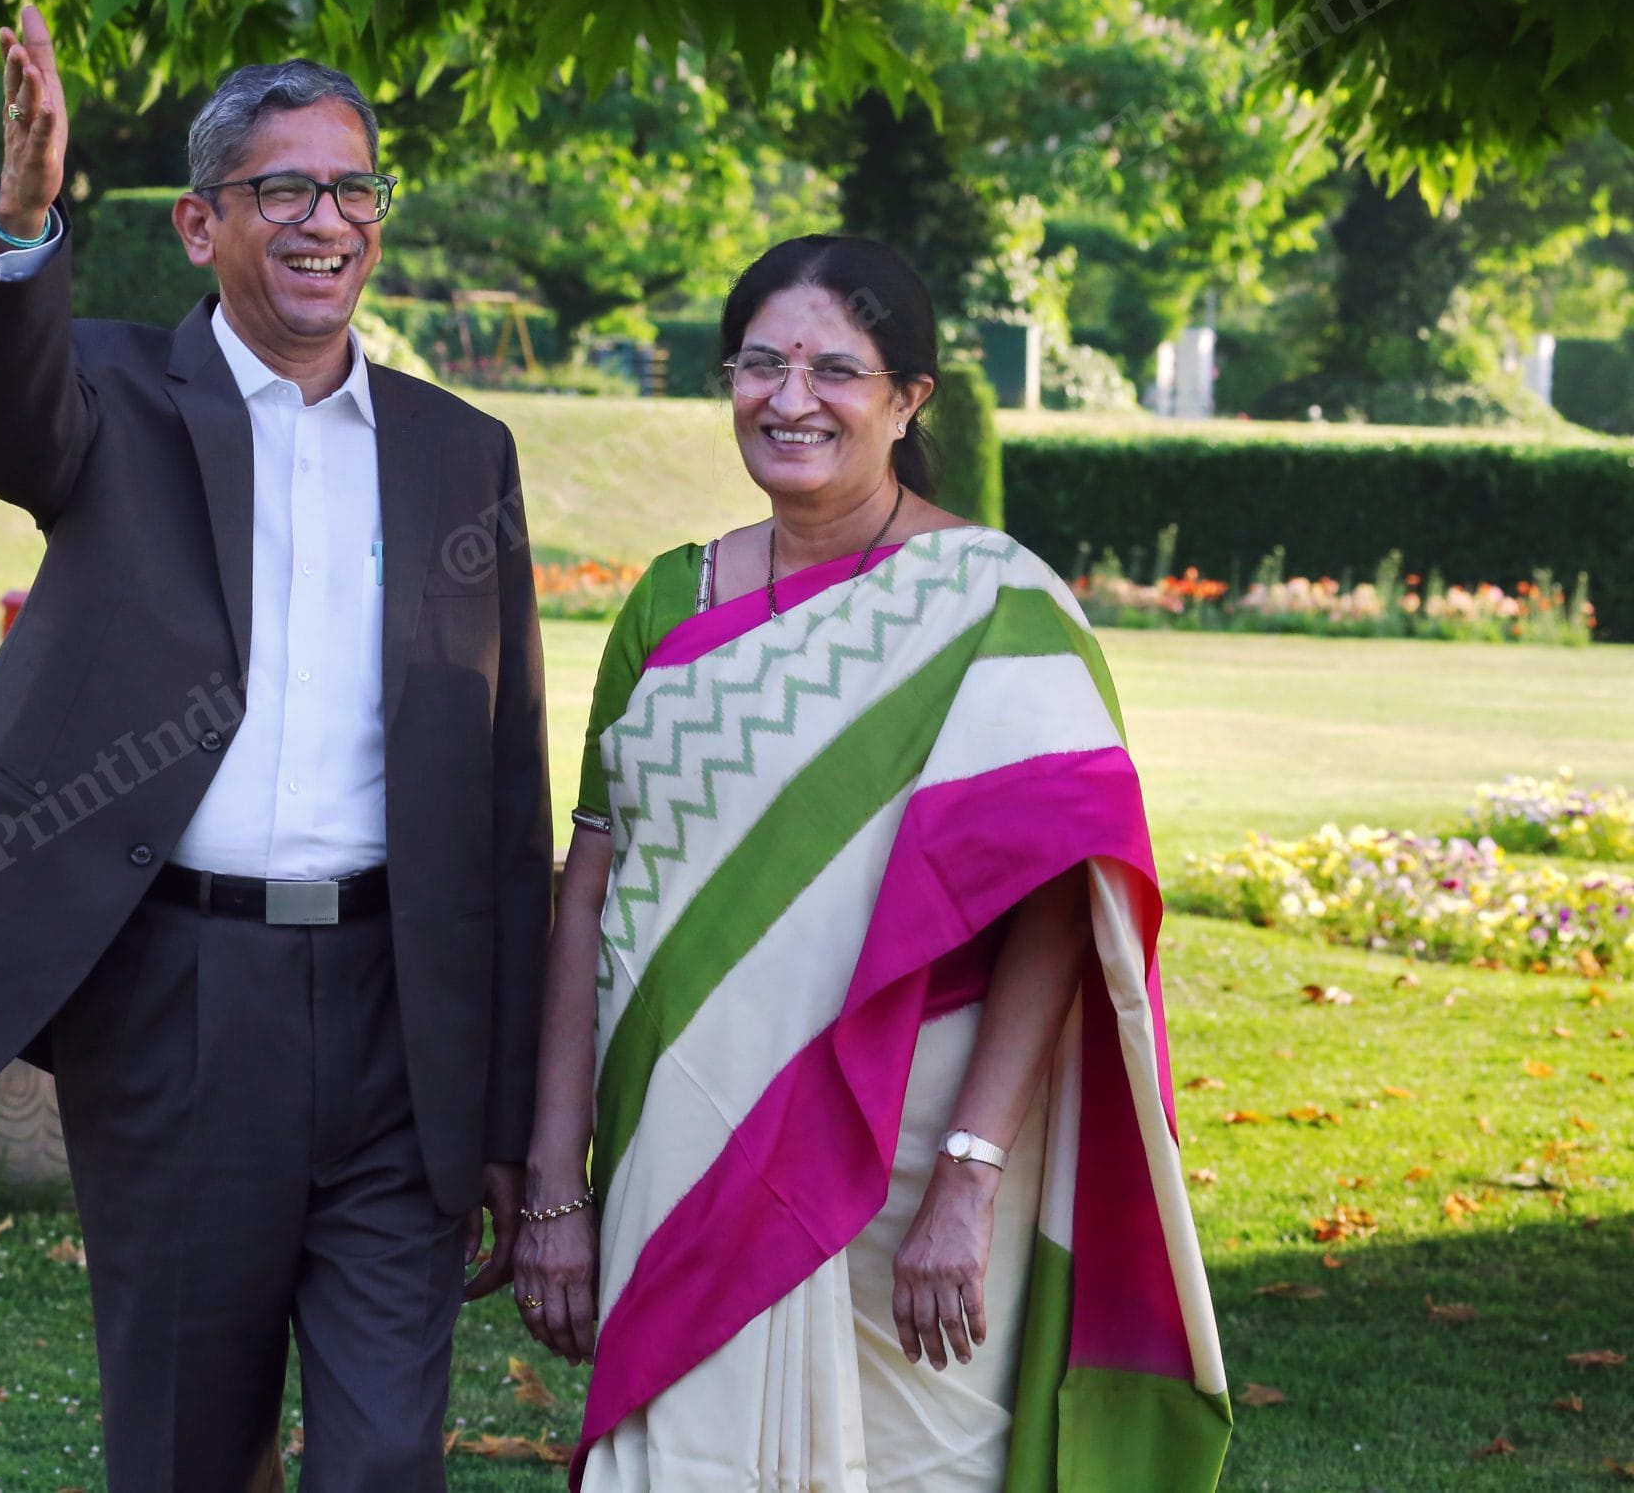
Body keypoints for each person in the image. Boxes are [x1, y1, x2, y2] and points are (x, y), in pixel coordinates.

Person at [0, 7, 552, 1493]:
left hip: (403, 1012)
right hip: (181, 1003)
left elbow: (503, 776)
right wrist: (18, 215)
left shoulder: (460, 451)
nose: (325, 221)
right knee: (184, 1447)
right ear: (201, 220)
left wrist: (505, 1101)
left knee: (386, 1455)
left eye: (354, 190)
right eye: (286, 190)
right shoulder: (116, 399)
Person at [510, 236, 1231, 1490]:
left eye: (834, 369)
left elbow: (1059, 912)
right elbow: (589, 890)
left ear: (908, 400)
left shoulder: (1000, 612)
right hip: (680, 1139)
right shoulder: (667, 604)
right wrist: (552, 1182)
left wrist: (968, 1172)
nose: (790, 399)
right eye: (759, 364)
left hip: (910, 1167)